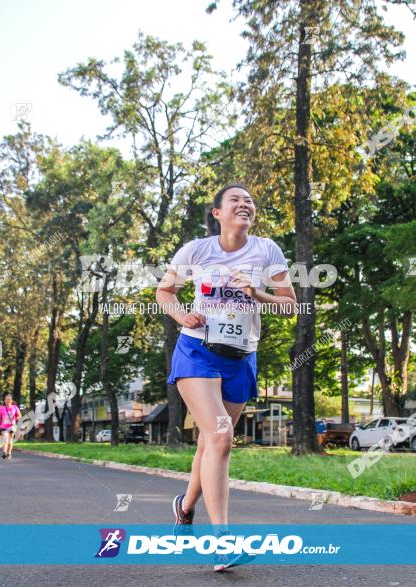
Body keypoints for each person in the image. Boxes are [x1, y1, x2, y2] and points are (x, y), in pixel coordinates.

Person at [155, 184, 296, 571]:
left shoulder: (267, 251)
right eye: (235, 200)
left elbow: (290, 304)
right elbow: (164, 291)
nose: (245, 204)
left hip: (241, 357)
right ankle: (223, 544)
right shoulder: (196, 251)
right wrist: (183, 315)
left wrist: (257, 294)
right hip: (198, 351)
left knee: (209, 444)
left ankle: (184, 509)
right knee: (220, 437)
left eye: (250, 200)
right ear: (217, 213)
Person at [0, 393, 21, 460]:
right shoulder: (2, 408)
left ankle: (9, 453)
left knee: (10, 441)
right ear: (4, 400)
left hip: (12, 426)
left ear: (11, 400)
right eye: (6, 399)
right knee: (5, 439)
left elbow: (19, 415)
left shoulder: (15, 407)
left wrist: (16, 418)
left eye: (9, 399)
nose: (8, 400)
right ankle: (4, 452)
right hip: (4, 426)